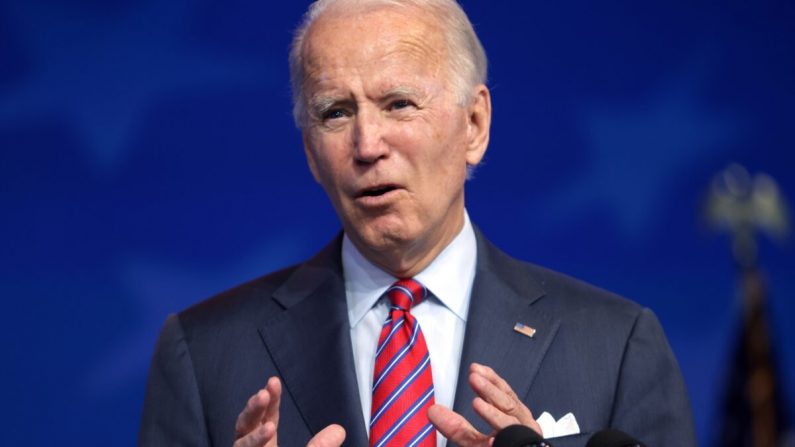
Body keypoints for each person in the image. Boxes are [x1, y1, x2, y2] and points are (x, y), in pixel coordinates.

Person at [138, 1, 697, 446]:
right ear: (310, 152)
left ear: (474, 125)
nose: (367, 144)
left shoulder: (616, 345)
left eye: (399, 103)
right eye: (336, 112)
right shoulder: (202, 354)